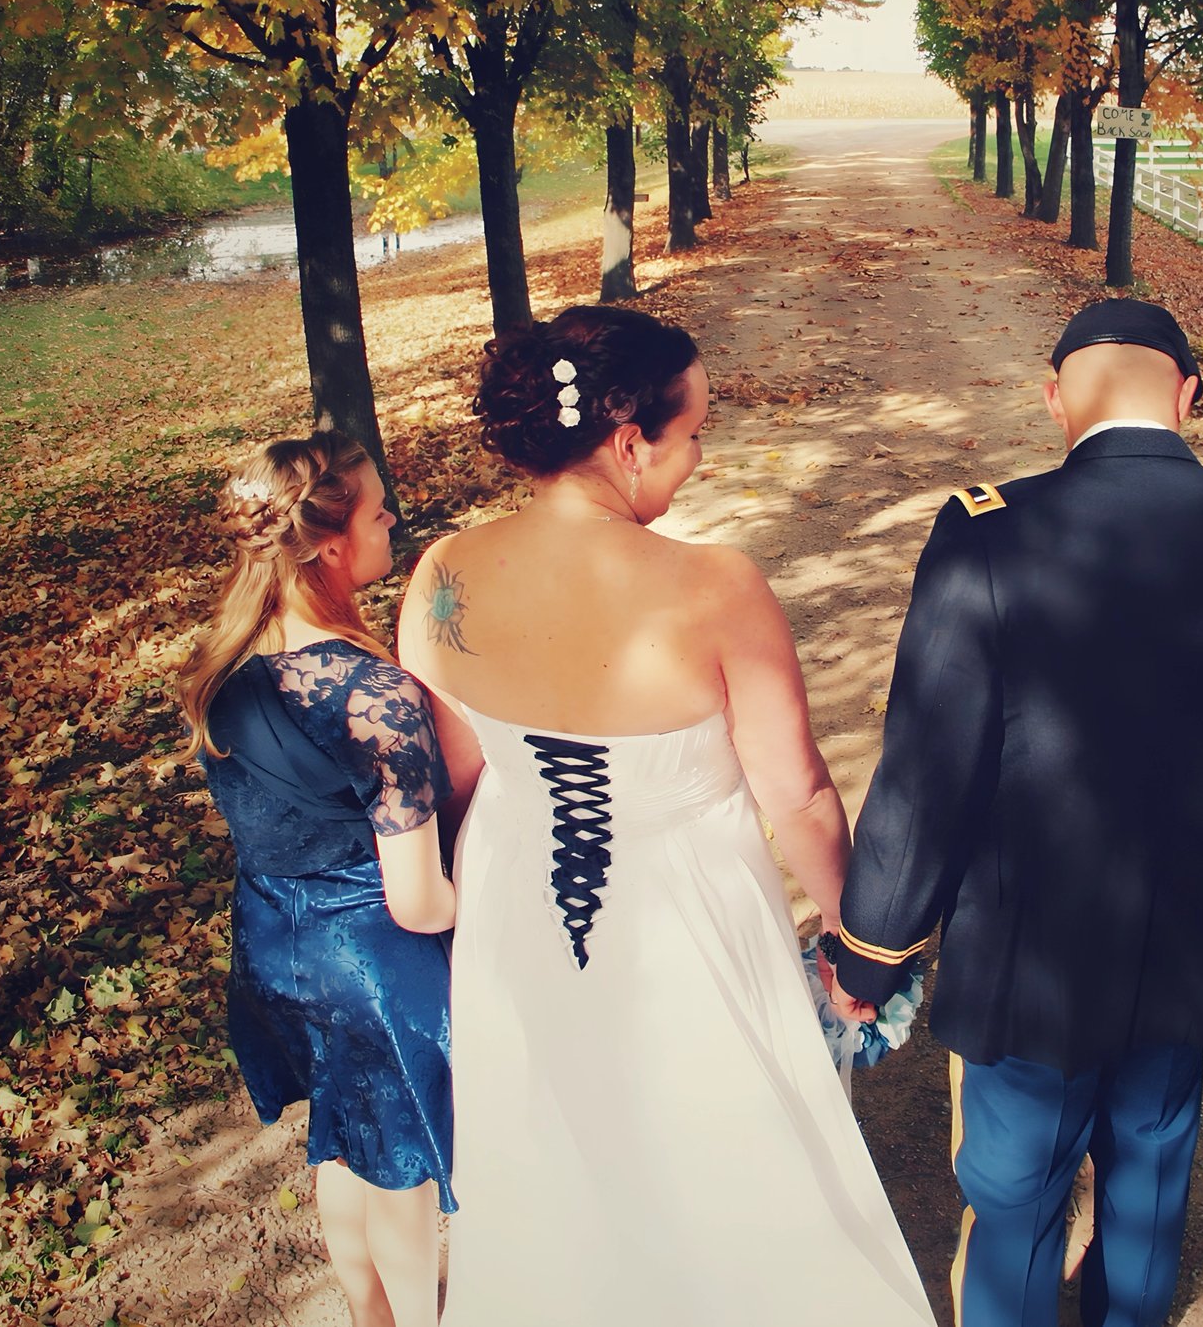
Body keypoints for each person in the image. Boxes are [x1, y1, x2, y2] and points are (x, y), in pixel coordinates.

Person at [396, 304, 934, 1327]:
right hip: (688, 913)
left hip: (516, 903)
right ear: (630, 439)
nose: (697, 457)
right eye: (693, 435)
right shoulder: (711, 586)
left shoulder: (444, 573)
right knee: (721, 1145)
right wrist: (860, 948)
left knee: (554, 1147)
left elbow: (454, 774)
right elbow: (799, 794)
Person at [825, 298, 1203, 1327]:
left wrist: (871, 945)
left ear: (1055, 398)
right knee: (1149, 1177)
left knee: (1015, 1197)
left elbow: (931, 765)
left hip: (1030, 944)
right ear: (1188, 397)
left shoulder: (987, 531)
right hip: (1187, 915)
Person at [176, 431, 455, 1327]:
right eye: (381, 511)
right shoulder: (375, 696)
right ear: (333, 544)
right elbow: (417, 900)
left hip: (271, 946)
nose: (394, 523)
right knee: (400, 1171)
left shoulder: (227, 669)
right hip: (370, 962)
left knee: (336, 1145)